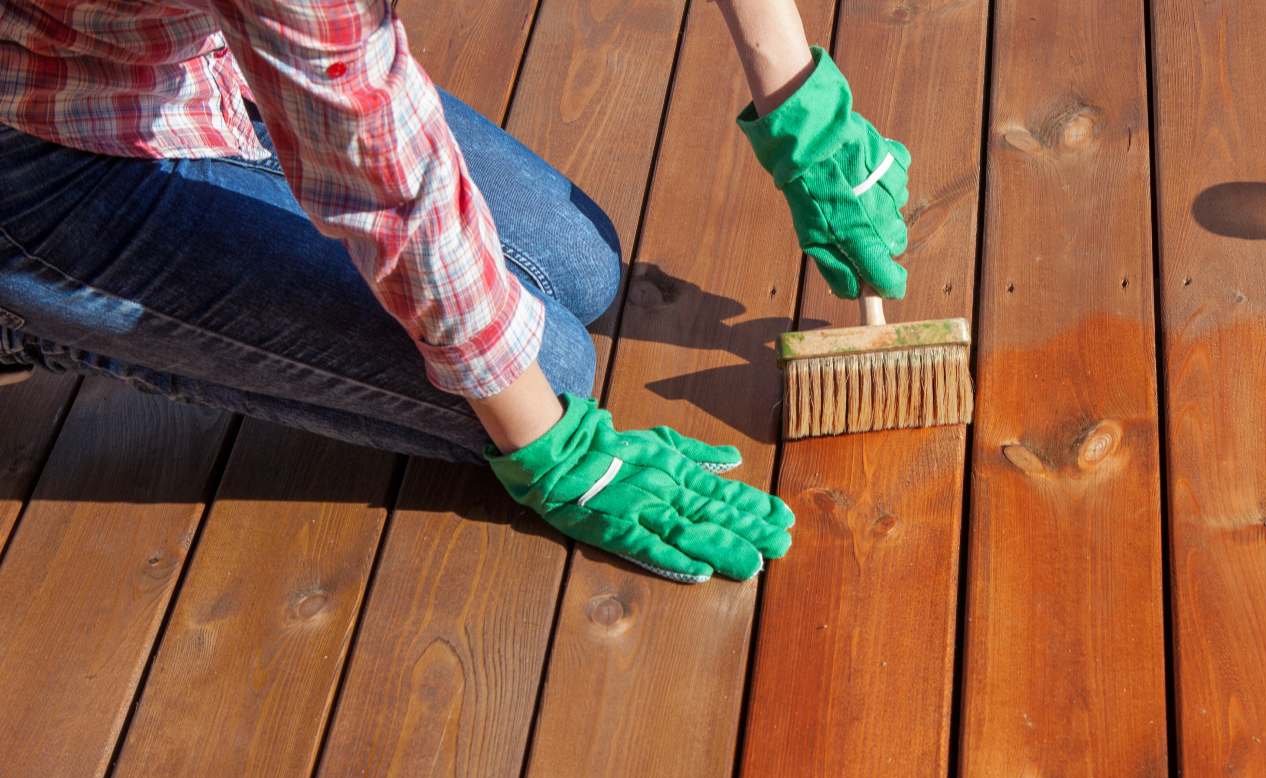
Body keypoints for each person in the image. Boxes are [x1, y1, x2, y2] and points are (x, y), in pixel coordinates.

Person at [0, 0, 911, 584]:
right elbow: (388, 188)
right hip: (57, 145)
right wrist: (554, 454)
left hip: (216, 56)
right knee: (547, 373)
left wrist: (803, 110)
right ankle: (31, 313)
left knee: (578, 264)